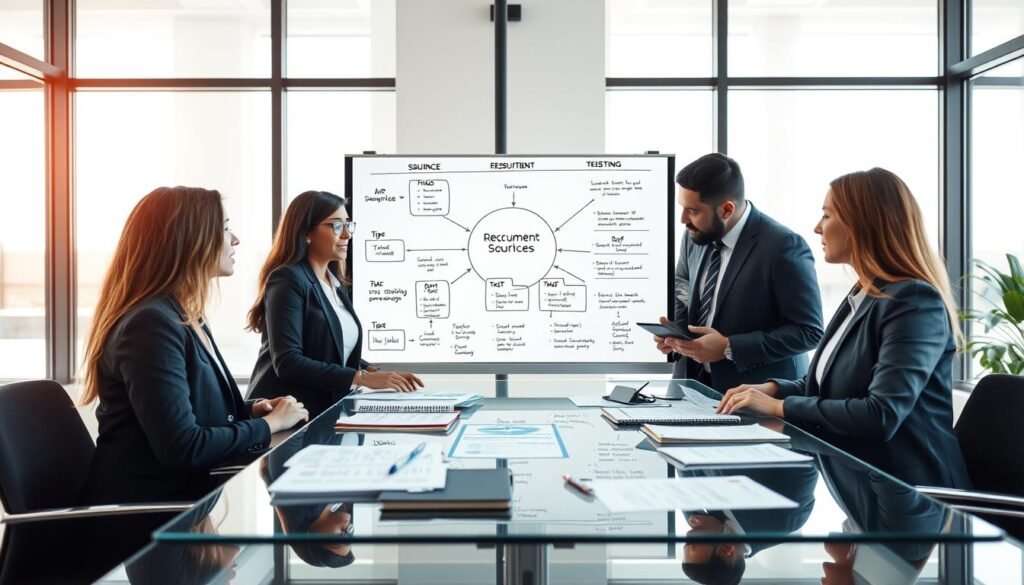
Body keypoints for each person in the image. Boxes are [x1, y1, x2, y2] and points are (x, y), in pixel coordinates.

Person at [717, 168, 972, 489]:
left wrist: (780, 407)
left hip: (913, 493)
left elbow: (880, 414)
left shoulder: (914, 302)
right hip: (861, 478)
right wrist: (774, 389)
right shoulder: (863, 293)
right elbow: (832, 385)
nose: (817, 227)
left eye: (827, 215)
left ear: (862, 224)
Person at [78, 186, 309, 506]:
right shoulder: (151, 325)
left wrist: (252, 410)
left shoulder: (184, 314)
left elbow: (190, 414)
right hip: (143, 515)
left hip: (185, 501)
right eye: (225, 228)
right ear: (190, 240)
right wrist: (269, 425)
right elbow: (183, 446)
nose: (235, 239)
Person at [654, 153, 824, 392]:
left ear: (726, 209)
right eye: (683, 207)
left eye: (692, 210)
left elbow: (809, 332)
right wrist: (676, 335)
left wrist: (728, 347)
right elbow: (682, 286)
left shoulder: (783, 245)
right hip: (690, 388)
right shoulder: (694, 235)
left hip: (757, 395)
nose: (683, 219)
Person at [246, 190, 423, 418]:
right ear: (306, 232)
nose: (347, 234)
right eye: (336, 226)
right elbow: (288, 362)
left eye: (348, 225)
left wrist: (377, 373)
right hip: (284, 415)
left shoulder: (334, 284)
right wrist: (362, 378)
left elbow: (332, 351)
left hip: (322, 412)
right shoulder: (288, 278)